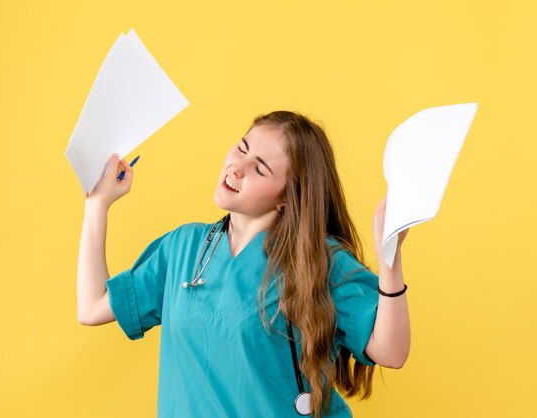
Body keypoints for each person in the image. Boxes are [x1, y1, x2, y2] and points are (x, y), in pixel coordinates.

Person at [76, 111, 410, 418]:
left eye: (260, 168)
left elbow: (391, 352)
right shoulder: (182, 248)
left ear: (286, 198)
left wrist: (389, 257)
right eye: (241, 148)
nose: (237, 167)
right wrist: (98, 204)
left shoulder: (318, 260)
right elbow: (92, 308)